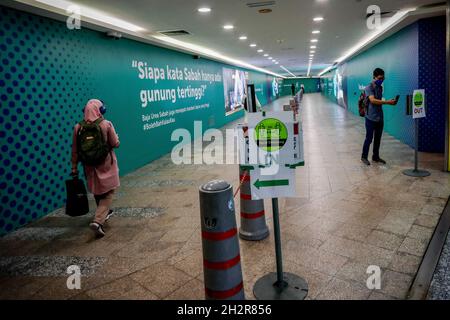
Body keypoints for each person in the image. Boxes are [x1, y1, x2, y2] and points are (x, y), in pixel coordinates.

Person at [71, 99, 120, 237]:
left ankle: (105, 212)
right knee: (109, 192)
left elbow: (75, 150)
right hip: (106, 164)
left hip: (89, 166)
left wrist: (74, 168)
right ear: (101, 110)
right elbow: (115, 143)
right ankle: (98, 221)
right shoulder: (106, 124)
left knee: (98, 189)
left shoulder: (78, 127)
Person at [361, 68, 397, 165]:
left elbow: (378, 102)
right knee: (369, 138)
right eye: (380, 78)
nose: (382, 80)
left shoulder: (380, 87)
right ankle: (364, 157)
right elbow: (372, 100)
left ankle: (375, 156)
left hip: (379, 117)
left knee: (378, 138)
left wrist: (390, 102)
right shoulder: (369, 87)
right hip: (370, 117)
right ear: (374, 77)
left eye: (383, 78)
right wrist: (387, 102)